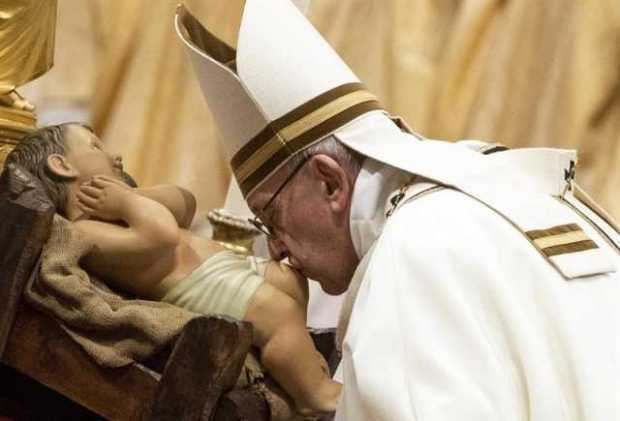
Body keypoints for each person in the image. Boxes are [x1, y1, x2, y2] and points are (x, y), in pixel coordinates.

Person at [176, 1, 620, 420]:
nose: (275, 250)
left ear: (330, 182)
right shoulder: (505, 189)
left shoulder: (411, 253)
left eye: (271, 218)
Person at [4, 122, 341, 417]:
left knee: (292, 281)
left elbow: (185, 202)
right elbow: (161, 236)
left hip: (223, 266)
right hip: (199, 286)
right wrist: (127, 202)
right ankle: (312, 395)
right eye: (95, 146)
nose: (116, 156)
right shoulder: (84, 231)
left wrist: (132, 195)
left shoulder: (123, 207)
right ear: (61, 165)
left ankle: (300, 365)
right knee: (279, 313)